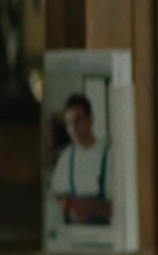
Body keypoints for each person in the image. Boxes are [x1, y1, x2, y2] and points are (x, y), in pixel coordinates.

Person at [47, 93, 112, 226]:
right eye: (69, 123)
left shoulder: (109, 154)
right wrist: (66, 205)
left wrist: (93, 207)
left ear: (90, 119)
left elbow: (120, 205)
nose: (73, 128)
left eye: (78, 121)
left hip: (105, 234)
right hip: (74, 234)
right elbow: (56, 193)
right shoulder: (66, 157)